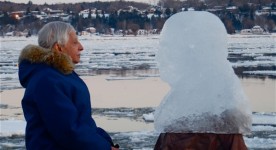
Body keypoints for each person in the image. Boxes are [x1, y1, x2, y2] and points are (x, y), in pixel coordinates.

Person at [18, 21, 119, 150]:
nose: (81, 47)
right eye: (75, 42)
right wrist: (103, 147)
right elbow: (68, 130)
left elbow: (82, 122)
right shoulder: (48, 80)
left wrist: (105, 141)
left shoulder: (60, 75)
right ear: (59, 47)